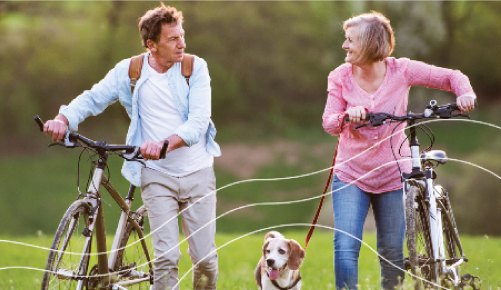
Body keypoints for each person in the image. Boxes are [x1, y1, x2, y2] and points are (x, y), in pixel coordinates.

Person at [43, 4, 220, 290]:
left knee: (205, 261)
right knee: (166, 258)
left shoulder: (194, 68)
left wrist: (165, 144)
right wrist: (63, 119)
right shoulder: (131, 71)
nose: (182, 44)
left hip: (197, 172)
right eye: (172, 39)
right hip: (156, 175)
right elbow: (93, 98)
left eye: (182, 36)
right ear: (152, 45)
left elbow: (199, 123)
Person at [322, 11, 476, 290]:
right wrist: (348, 115)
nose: (344, 45)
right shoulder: (340, 76)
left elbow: (452, 76)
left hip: (394, 175)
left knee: (391, 253)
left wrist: (465, 93)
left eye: (350, 40)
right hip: (351, 174)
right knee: (345, 247)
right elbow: (329, 123)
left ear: (370, 43)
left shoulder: (401, 70)